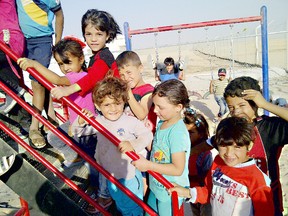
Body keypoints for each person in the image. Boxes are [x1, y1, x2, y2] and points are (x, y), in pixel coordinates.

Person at [192, 76, 288, 216]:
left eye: (242, 105)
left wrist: (266, 104)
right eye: (231, 107)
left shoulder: (269, 128)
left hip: (266, 203)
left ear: (255, 104)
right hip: (232, 204)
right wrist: (186, 153)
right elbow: (208, 144)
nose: (236, 112)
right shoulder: (231, 130)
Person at [72, 76, 153, 215]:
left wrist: (133, 144)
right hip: (109, 173)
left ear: (124, 102)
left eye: (117, 103)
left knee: (132, 208)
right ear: (98, 106)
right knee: (121, 205)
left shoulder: (130, 121)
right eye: (107, 105)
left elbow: (147, 135)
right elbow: (77, 133)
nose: (113, 108)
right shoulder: (99, 121)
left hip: (129, 175)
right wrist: (79, 122)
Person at [17, 37, 97, 168]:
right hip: (74, 122)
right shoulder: (75, 77)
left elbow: (58, 80)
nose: (65, 68)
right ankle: (74, 157)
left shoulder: (81, 77)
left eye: (68, 62)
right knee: (54, 138)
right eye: (60, 64)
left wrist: (35, 65)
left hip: (86, 126)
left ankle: (93, 176)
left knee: (92, 161)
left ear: (81, 59)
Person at [169, 117, 274, 216]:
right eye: (223, 146)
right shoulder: (218, 162)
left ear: (249, 146)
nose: (229, 153)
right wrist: (187, 192)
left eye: (237, 147)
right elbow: (209, 192)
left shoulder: (257, 179)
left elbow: (265, 212)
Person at [132, 79, 191, 215]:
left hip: (170, 191)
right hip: (157, 185)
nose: (155, 110)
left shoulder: (177, 132)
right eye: (154, 105)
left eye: (160, 107)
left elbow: (177, 169)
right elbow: (159, 149)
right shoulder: (162, 123)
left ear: (178, 107)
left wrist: (147, 165)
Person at [16, 0, 64, 149]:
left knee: (37, 81)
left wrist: (57, 42)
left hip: (41, 40)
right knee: (39, 82)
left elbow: (60, 15)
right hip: (22, 38)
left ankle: (35, 126)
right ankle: (51, 117)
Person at [51, 9, 121, 100]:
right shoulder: (95, 57)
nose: (93, 39)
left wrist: (68, 90)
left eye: (99, 34)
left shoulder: (104, 57)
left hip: (114, 104)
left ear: (107, 36)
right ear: (84, 35)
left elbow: (92, 78)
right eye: (89, 34)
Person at [116, 50, 157, 197]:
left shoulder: (148, 91)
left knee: (145, 179)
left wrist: (129, 94)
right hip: (133, 142)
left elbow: (141, 113)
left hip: (146, 143)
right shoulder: (129, 92)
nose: (126, 78)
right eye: (122, 75)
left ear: (140, 68)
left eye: (129, 72)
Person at [0, 0, 27, 121]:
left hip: (7, 36)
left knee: (14, 87)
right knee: (11, 78)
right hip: (8, 37)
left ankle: (13, 90)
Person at [183, 108, 212, 216]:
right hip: (191, 191)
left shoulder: (205, 154)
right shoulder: (183, 149)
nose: (186, 135)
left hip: (203, 194)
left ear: (200, 134)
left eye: (191, 132)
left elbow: (206, 177)